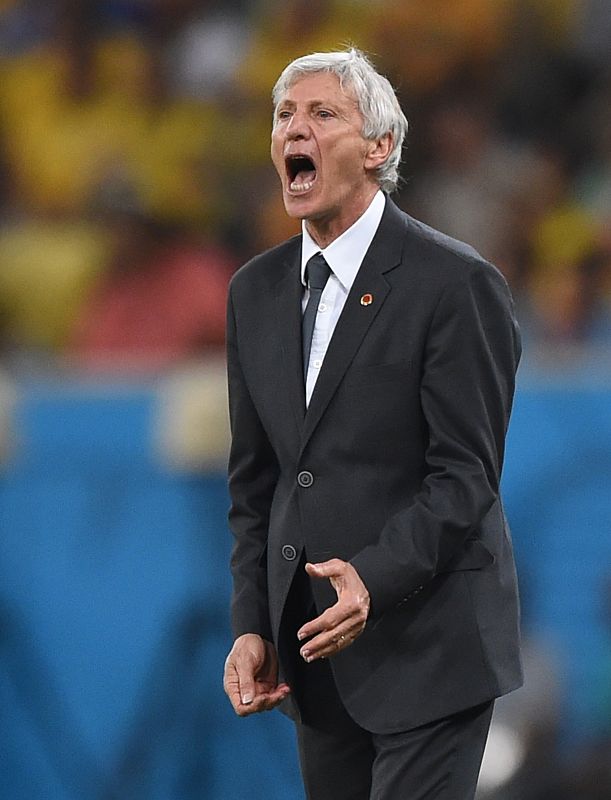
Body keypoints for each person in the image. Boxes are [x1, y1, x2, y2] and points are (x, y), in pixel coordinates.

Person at [223, 48, 523, 800]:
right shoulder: (254, 293)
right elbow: (257, 481)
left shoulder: (454, 285)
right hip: (316, 662)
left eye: (323, 113)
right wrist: (253, 622)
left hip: (432, 650)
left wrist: (372, 580)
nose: (298, 128)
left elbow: (465, 481)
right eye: (285, 115)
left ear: (379, 147)